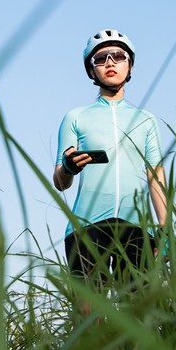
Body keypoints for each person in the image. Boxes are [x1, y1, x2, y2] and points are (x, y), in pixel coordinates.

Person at [54, 28, 168, 289]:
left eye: (118, 55)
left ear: (130, 65)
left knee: (138, 313)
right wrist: (69, 167)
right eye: (100, 58)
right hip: (86, 225)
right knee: (86, 316)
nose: (110, 62)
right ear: (91, 71)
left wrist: (165, 231)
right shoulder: (75, 117)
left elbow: (155, 176)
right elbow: (60, 182)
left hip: (137, 227)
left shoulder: (146, 120)